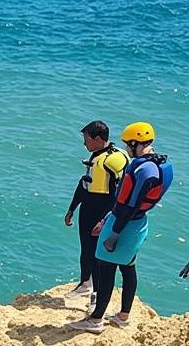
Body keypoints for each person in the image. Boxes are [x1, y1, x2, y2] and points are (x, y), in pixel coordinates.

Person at [70, 122, 173, 332]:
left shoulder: (145, 170)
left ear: (136, 143)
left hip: (123, 226)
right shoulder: (160, 164)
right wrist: (107, 218)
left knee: (105, 269)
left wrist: (114, 233)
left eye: (128, 145)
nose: (126, 149)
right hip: (138, 224)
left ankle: (95, 320)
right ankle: (123, 316)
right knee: (128, 267)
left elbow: (129, 205)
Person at [64, 120, 129, 297]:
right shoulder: (99, 155)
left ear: (98, 138)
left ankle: (96, 295)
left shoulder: (111, 161)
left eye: (86, 139)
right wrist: (72, 208)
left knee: (98, 254)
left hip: (101, 211)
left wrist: (105, 219)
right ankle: (86, 283)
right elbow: (84, 182)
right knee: (86, 248)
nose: (84, 143)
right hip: (89, 207)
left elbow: (122, 193)